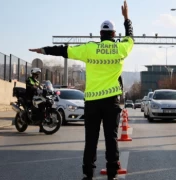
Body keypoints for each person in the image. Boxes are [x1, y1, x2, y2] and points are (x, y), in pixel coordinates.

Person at [29, 1, 133, 179]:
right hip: (111, 102)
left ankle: (88, 173)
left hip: (92, 103)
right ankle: (112, 173)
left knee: (91, 140)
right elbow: (131, 37)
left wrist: (44, 50)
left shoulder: (89, 48)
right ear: (114, 34)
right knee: (111, 139)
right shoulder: (121, 48)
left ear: (100, 34)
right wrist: (126, 18)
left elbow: (65, 50)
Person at [25, 67, 43, 133]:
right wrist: (34, 87)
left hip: (36, 97)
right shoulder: (29, 79)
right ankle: (28, 117)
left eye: (38, 74)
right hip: (29, 97)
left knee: (40, 110)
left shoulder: (37, 81)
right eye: (36, 74)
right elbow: (30, 86)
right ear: (33, 74)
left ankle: (41, 127)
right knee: (30, 108)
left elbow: (41, 87)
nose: (37, 75)